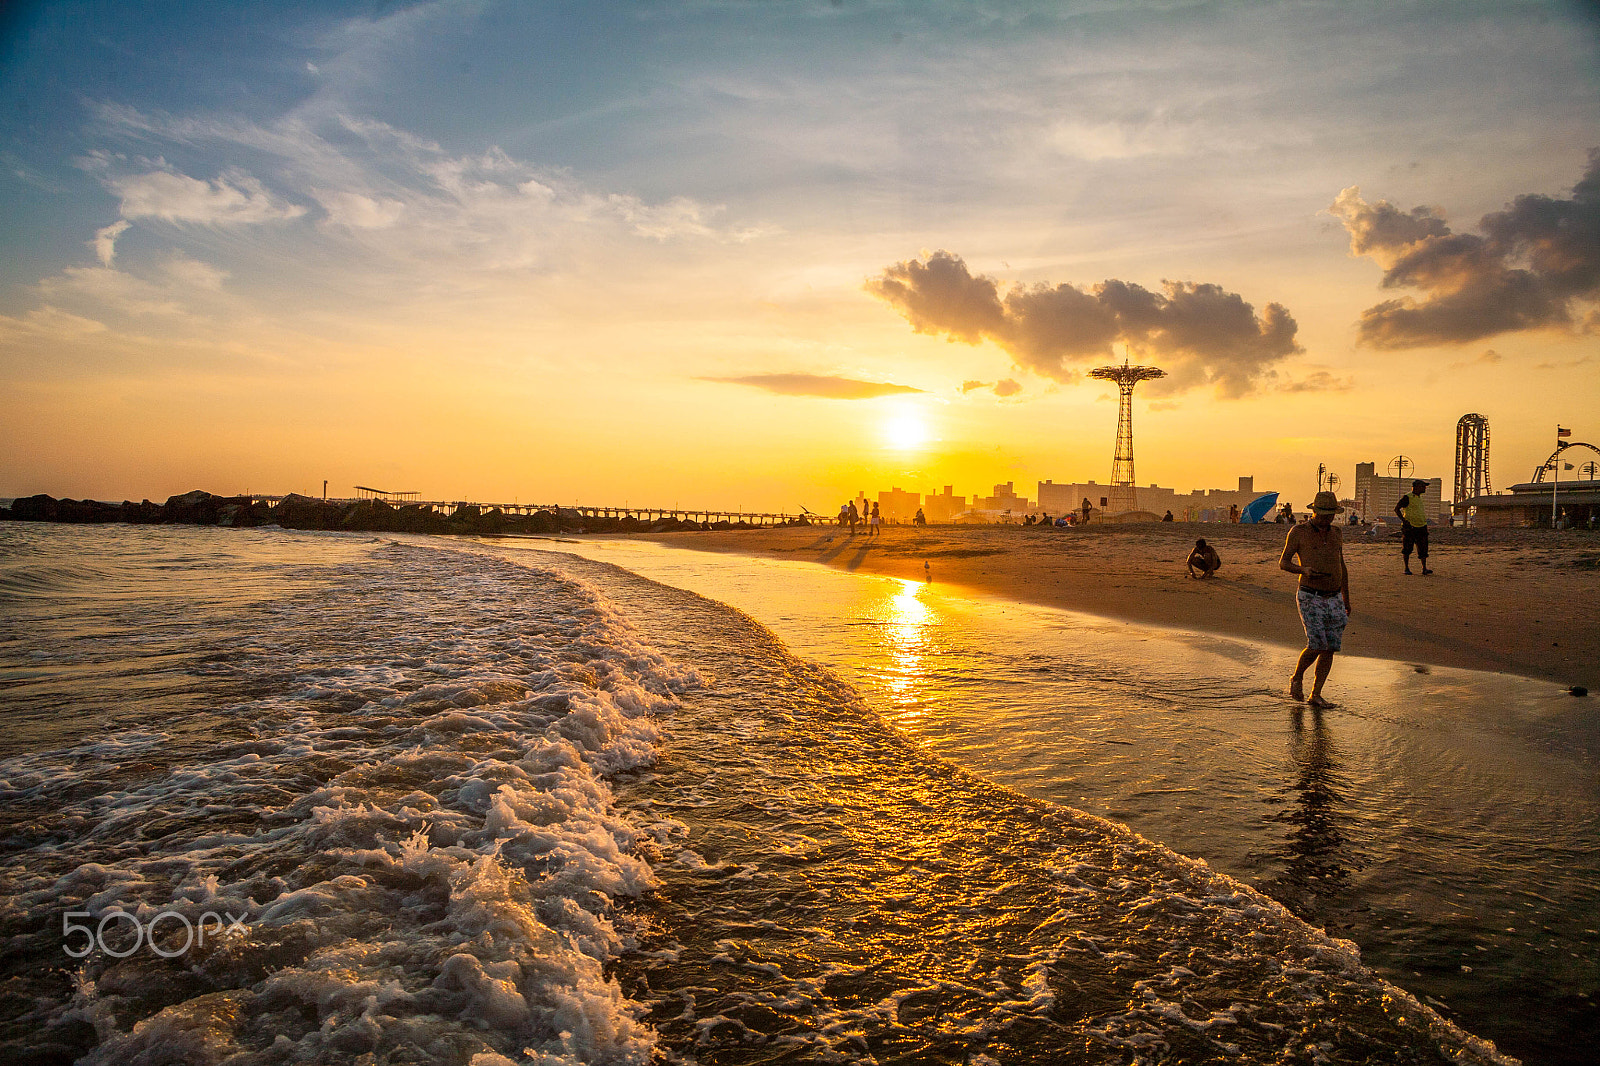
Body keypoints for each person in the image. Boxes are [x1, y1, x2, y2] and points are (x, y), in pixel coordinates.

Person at [1280, 490, 1351, 709]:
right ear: (1314, 512)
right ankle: (1297, 677)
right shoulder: (1298, 532)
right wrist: (1304, 570)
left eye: (1330, 514)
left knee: (1330, 647)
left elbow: (1341, 566)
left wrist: (1346, 597)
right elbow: (1284, 563)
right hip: (1310, 594)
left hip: (1334, 596)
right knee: (1317, 643)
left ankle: (1316, 694)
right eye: (1323, 514)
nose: (1327, 518)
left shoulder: (1336, 533)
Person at [1393, 479, 1432, 575]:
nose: (1424, 488)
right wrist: (1403, 520)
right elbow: (1397, 508)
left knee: (1423, 548)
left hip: (1421, 526)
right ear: (1416, 487)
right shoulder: (1408, 497)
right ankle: (1406, 568)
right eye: (1423, 486)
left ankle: (1424, 568)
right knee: (1407, 548)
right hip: (1410, 527)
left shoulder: (1419, 498)